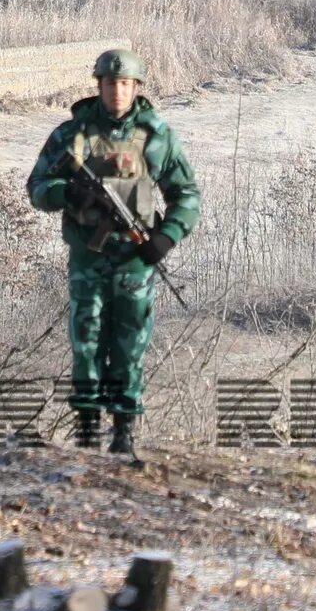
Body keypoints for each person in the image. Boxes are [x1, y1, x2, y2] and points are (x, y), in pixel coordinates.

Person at [25, 47, 198, 458]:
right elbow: (37, 188)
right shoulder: (73, 135)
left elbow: (186, 194)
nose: (117, 92)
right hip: (88, 257)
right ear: (99, 85)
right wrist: (69, 193)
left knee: (129, 343)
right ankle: (86, 429)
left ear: (135, 87)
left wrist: (167, 236)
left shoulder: (156, 134)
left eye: (124, 84)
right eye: (109, 83)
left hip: (135, 261)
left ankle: (123, 431)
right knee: (86, 341)